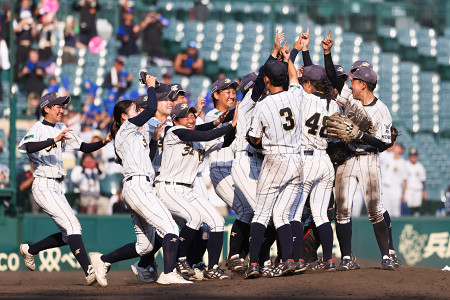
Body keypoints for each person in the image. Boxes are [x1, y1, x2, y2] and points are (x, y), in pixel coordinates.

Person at [89, 74, 192, 286]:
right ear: (124, 117)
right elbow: (152, 106)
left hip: (137, 186)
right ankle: (168, 273)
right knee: (171, 228)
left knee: (145, 246)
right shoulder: (126, 128)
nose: (139, 111)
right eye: (135, 110)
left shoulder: (134, 136)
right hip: (138, 186)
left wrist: (154, 142)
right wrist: (151, 87)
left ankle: (102, 260)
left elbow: (149, 159)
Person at [18, 91, 112, 285]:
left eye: (63, 105)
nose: (62, 109)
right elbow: (27, 147)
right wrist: (54, 140)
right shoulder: (39, 127)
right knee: (73, 227)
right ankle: (89, 271)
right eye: (58, 106)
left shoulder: (61, 127)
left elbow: (84, 147)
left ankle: (30, 250)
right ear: (46, 108)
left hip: (57, 186)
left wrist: (103, 141)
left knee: (67, 236)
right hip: (43, 184)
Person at [322, 30, 395, 270]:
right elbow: (334, 79)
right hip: (347, 158)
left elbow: (384, 143)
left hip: (368, 160)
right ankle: (346, 257)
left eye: (354, 80)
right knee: (342, 209)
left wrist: (361, 135)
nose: (349, 83)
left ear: (363, 84)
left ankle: (386, 256)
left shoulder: (381, 110)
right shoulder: (350, 98)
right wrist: (327, 53)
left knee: (375, 209)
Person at [155, 102, 238, 280]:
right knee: (195, 218)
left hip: (188, 189)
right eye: (186, 116)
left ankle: (213, 267)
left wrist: (234, 126)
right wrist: (229, 124)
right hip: (168, 187)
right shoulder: (173, 132)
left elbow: (225, 142)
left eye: (193, 115)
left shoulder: (198, 140)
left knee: (217, 221)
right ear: (176, 120)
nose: (191, 118)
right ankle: (181, 259)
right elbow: (207, 134)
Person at [245, 45, 304, 279]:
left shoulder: (263, 105)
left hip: (275, 159)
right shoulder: (296, 95)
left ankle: (253, 264)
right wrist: (290, 59)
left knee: (261, 214)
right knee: (282, 215)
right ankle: (289, 260)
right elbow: (295, 77)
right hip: (297, 161)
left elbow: (256, 138)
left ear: (266, 79)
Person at [289, 63, 341, 272]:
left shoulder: (303, 97)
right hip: (325, 161)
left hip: (306, 159)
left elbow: (291, 82)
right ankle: (328, 260)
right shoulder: (334, 105)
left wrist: (293, 59)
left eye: (305, 82)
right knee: (320, 214)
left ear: (309, 84)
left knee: (294, 213)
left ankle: (298, 259)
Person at [380, 143, 407, 217]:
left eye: (398, 147)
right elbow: (381, 153)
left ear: (402, 150)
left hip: (395, 188)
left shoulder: (402, 162)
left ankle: (395, 226)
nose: (396, 148)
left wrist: (404, 194)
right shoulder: (387, 156)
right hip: (384, 187)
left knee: (395, 209)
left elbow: (405, 180)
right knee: (385, 209)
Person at [404, 147, 427, 216]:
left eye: (415, 156)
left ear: (417, 156)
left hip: (418, 190)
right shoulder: (406, 165)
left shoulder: (420, 166)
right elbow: (404, 179)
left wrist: (424, 191)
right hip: (409, 189)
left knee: (417, 208)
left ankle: (416, 224)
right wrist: (404, 192)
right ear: (409, 156)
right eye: (412, 156)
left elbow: (423, 180)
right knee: (408, 207)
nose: (413, 157)